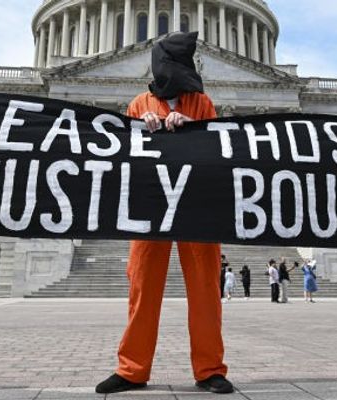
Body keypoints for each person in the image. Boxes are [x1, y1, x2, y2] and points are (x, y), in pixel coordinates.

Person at [96, 32, 234, 395]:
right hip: (149, 206)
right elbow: (122, 158)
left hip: (197, 205)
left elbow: (220, 150)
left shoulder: (201, 103)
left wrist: (190, 129)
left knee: (205, 289)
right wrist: (146, 132)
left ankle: (210, 369)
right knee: (142, 287)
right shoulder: (138, 103)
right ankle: (131, 369)